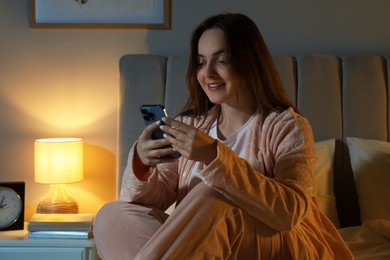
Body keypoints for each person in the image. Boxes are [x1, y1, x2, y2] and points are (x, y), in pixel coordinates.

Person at [93, 13, 353, 259]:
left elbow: (289, 213)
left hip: (279, 243)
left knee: (213, 194)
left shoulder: (287, 126)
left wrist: (212, 156)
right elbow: (150, 205)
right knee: (111, 216)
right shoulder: (190, 126)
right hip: (202, 246)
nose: (208, 74)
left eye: (221, 60)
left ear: (249, 62)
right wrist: (142, 162)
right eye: (201, 62)